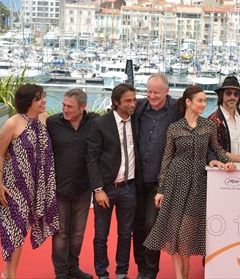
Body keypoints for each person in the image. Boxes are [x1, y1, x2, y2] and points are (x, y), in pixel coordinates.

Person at [143, 85, 236, 279]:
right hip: (176, 183)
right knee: (174, 234)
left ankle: (183, 275)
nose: (203, 104)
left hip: (197, 186)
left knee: (184, 235)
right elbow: (167, 159)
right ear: (188, 102)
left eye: (204, 101)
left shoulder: (208, 126)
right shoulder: (174, 128)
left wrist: (227, 162)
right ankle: (180, 276)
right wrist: (161, 189)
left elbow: (217, 150)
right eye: (200, 100)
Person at [0, 84, 59, 278]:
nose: (44, 101)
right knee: (16, 231)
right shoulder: (12, 123)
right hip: (14, 188)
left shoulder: (45, 118)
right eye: (39, 98)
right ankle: (11, 275)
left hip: (38, 188)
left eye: (44, 97)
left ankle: (7, 273)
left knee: (20, 230)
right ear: (28, 101)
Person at [87, 83, 138, 279]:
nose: (133, 104)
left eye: (134, 100)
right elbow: (91, 158)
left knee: (126, 235)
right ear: (116, 102)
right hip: (105, 189)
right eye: (128, 101)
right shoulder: (100, 124)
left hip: (129, 188)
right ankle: (102, 274)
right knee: (101, 236)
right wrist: (98, 189)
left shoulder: (137, 121)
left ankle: (121, 273)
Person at [132, 74, 181, 279]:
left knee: (151, 225)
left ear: (167, 92)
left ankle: (151, 271)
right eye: (148, 91)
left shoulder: (177, 110)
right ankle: (141, 268)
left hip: (160, 181)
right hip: (136, 179)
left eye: (156, 92)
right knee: (136, 226)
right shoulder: (138, 107)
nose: (151, 96)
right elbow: (113, 117)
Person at [47, 89, 99, 279]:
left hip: (83, 188)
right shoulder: (52, 122)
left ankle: (73, 267)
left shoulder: (95, 122)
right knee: (60, 233)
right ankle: (60, 272)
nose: (65, 109)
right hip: (58, 188)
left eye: (70, 106)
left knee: (78, 233)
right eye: (63, 105)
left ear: (83, 107)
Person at [208, 75, 240, 163]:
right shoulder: (213, 120)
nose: (232, 97)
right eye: (228, 93)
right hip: (225, 170)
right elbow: (216, 150)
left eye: (236, 94)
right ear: (221, 95)